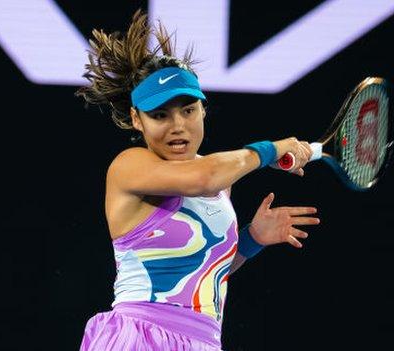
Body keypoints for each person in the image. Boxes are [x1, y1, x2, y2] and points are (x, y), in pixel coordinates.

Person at [75, 10, 320, 351]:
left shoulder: (218, 179)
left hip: (202, 340)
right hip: (139, 335)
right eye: (160, 115)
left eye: (188, 110)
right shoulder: (129, 166)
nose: (178, 125)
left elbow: (202, 273)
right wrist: (271, 150)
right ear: (136, 119)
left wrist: (251, 240)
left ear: (204, 110)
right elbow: (204, 178)